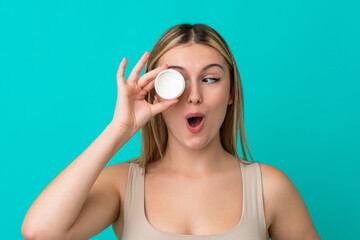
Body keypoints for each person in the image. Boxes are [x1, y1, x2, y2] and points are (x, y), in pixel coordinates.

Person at [22, 23, 320, 240]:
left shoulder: (270, 188)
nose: (194, 96)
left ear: (231, 92)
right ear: (155, 93)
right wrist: (119, 129)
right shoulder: (123, 185)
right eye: (176, 81)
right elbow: (40, 232)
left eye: (210, 79)